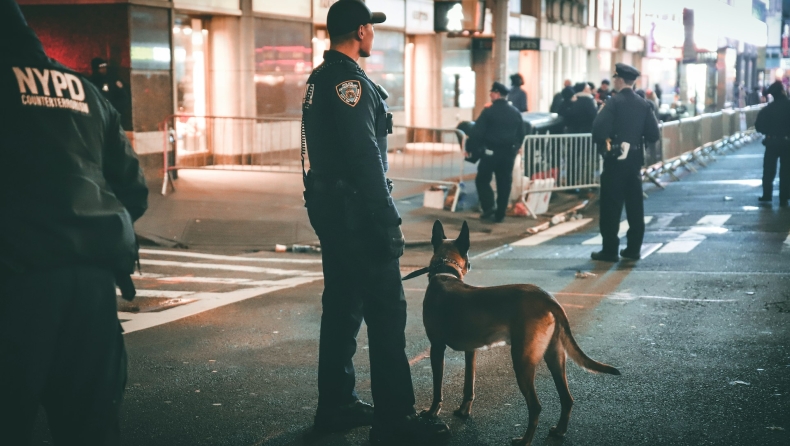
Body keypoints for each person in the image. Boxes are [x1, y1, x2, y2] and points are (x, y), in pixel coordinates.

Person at [300, 1, 450, 443]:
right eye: (371, 28)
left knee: (342, 308)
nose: (373, 34)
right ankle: (395, 419)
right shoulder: (349, 83)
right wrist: (387, 217)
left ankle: (336, 405)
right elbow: (365, 156)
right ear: (362, 31)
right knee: (387, 315)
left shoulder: (319, 79)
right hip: (359, 216)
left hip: (332, 211)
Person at [0, 1, 149, 444]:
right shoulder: (82, 90)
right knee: (91, 428)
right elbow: (133, 188)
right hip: (93, 287)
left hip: (15, 283)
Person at [591, 63, 660, 262]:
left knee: (610, 206)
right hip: (634, 162)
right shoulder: (644, 104)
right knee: (635, 206)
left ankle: (610, 250)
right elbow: (653, 134)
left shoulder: (613, 103)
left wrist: (608, 141)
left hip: (615, 161)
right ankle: (633, 249)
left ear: (620, 80)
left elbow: (598, 130)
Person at [472, 81, 526, 223]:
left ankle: (489, 206)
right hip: (508, 154)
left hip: (490, 152)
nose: (490, 95)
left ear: (497, 94)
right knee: (504, 182)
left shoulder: (488, 111)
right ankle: (500, 213)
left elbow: (477, 132)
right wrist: (516, 147)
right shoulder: (515, 112)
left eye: (492, 92)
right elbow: (521, 133)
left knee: (482, 179)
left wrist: (472, 150)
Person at [755, 81, 790, 206]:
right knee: (786, 170)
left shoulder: (768, 109)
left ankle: (767, 194)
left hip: (772, 141)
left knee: (769, 170)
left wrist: (768, 132)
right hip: (787, 142)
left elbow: (759, 126)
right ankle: (784, 196)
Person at [89, 57, 130, 129]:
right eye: (101, 68)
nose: (103, 69)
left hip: (114, 114)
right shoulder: (91, 83)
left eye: (104, 67)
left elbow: (124, 96)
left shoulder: (113, 80)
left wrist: (116, 108)